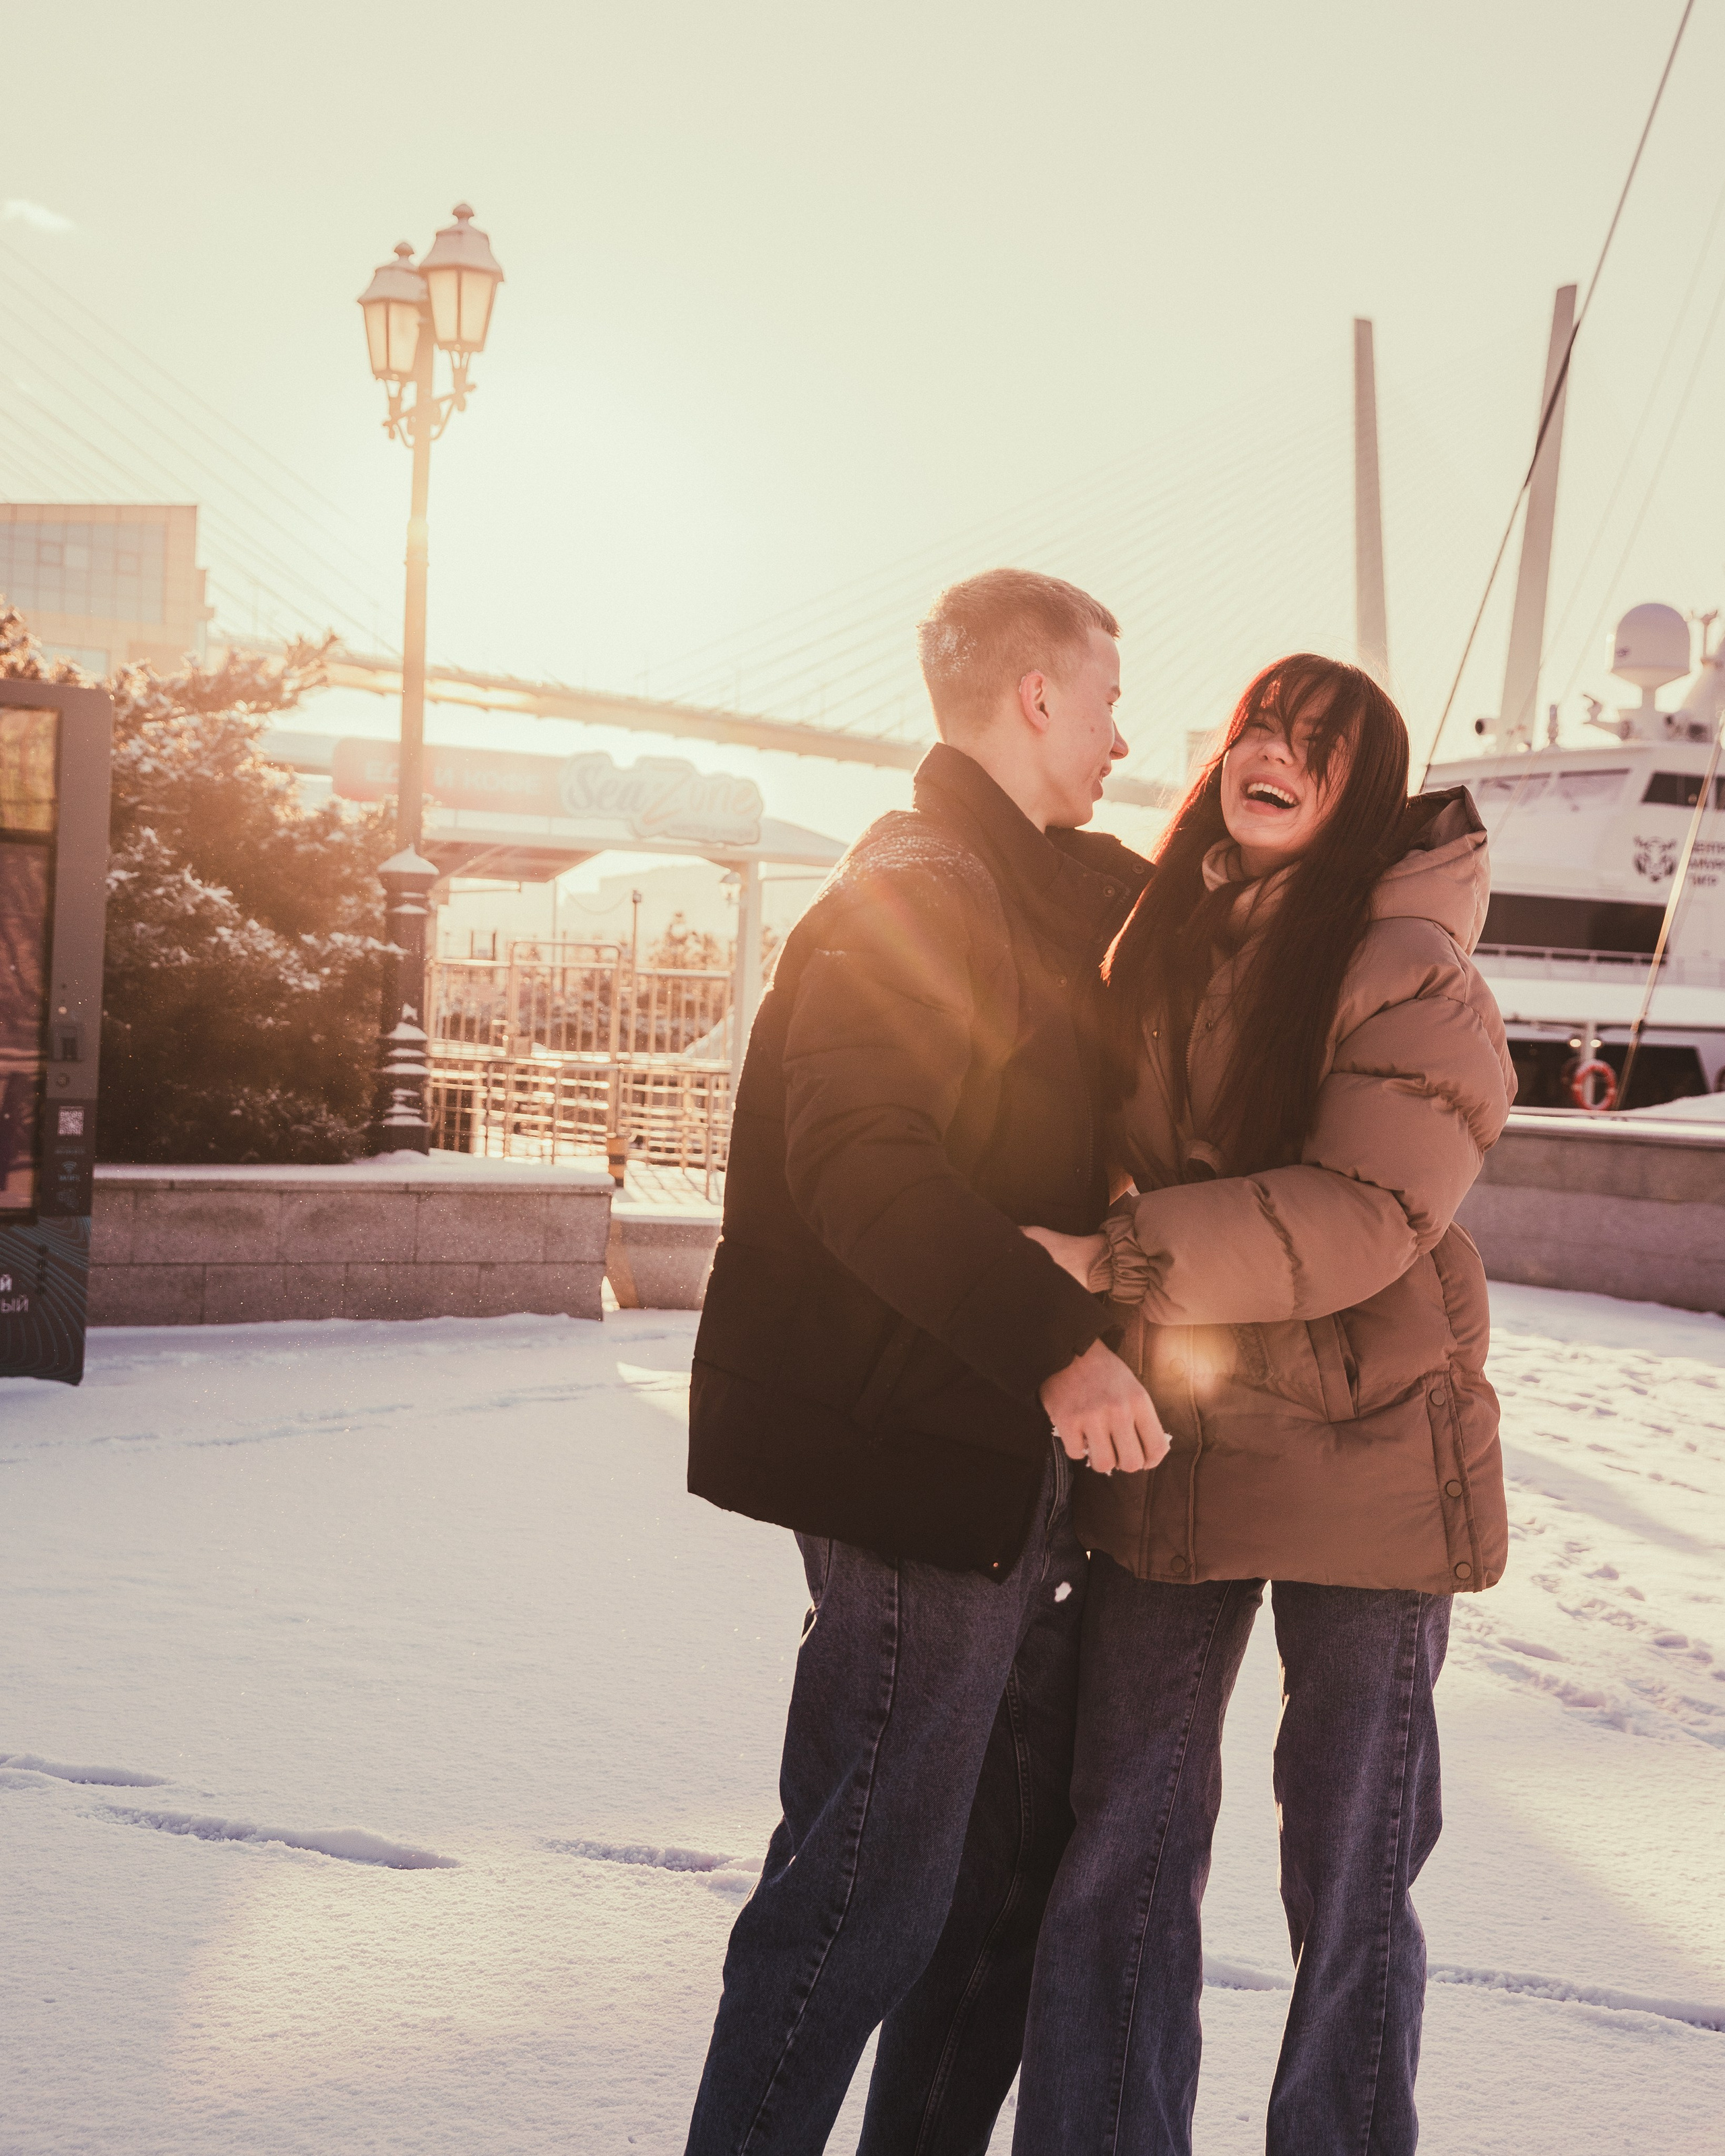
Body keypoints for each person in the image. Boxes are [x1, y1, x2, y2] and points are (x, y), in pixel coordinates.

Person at [683, 568, 1168, 2155]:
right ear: (1035, 697)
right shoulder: (918, 886)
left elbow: (1157, 914)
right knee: (862, 1885)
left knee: (988, 1863)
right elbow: (861, 1164)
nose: (1119, 732)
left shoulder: (1023, 880)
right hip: (916, 1459)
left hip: (980, 1459)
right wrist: (1063, 1354)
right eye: (1103, 698)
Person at [1013, 653, 1513, 2155]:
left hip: (1365, 1458)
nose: (1273, 753)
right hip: (1179, 1442)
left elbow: (1363, 1210)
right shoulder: (1153, 937)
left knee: (1347, 1878)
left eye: (1318, 743)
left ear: (1362, 789)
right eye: (1255, 728)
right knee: (1120, 1851)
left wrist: (1111, 1255)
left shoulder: (1410, 965)